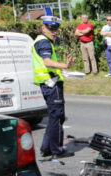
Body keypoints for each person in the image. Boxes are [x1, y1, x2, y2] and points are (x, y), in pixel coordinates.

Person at [32, 16, 76, 158]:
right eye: (51, 28)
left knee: (53, 117)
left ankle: (46, 148)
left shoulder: (41, 41)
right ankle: (57, 150)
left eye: (56, 28)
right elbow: (47, 61)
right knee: (57, 117)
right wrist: (64, 65)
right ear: (43, 27)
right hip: (52, 84)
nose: (54, 31)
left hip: (48, 83)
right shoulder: (44, 42)